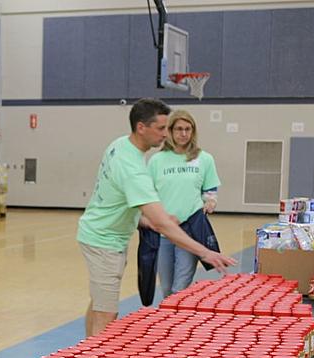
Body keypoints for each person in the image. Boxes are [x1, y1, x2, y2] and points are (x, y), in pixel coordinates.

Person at [77, 98, 235, 336]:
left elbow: (123, 201)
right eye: (161, 128)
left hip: (101, 234)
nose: (166, 134)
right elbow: (161, 223)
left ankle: (85, 352)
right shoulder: (133, 167)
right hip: (104, 242)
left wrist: (148, 220)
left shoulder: (121, 144)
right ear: (142, 127)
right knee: (106, 314)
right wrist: (205, 252)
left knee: (98, 304)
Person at [147, 109, 222, 296]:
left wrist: (210, 201)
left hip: (190, 231)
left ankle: (177, 322)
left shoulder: (204, 158)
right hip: (163, 233)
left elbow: (210, 189)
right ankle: (170, 322)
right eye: (179, 129)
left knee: (179, 288)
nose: (183, 134)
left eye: (188, 129)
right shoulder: (157, 161)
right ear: (170, 131)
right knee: (165, 288)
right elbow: (148, 194)